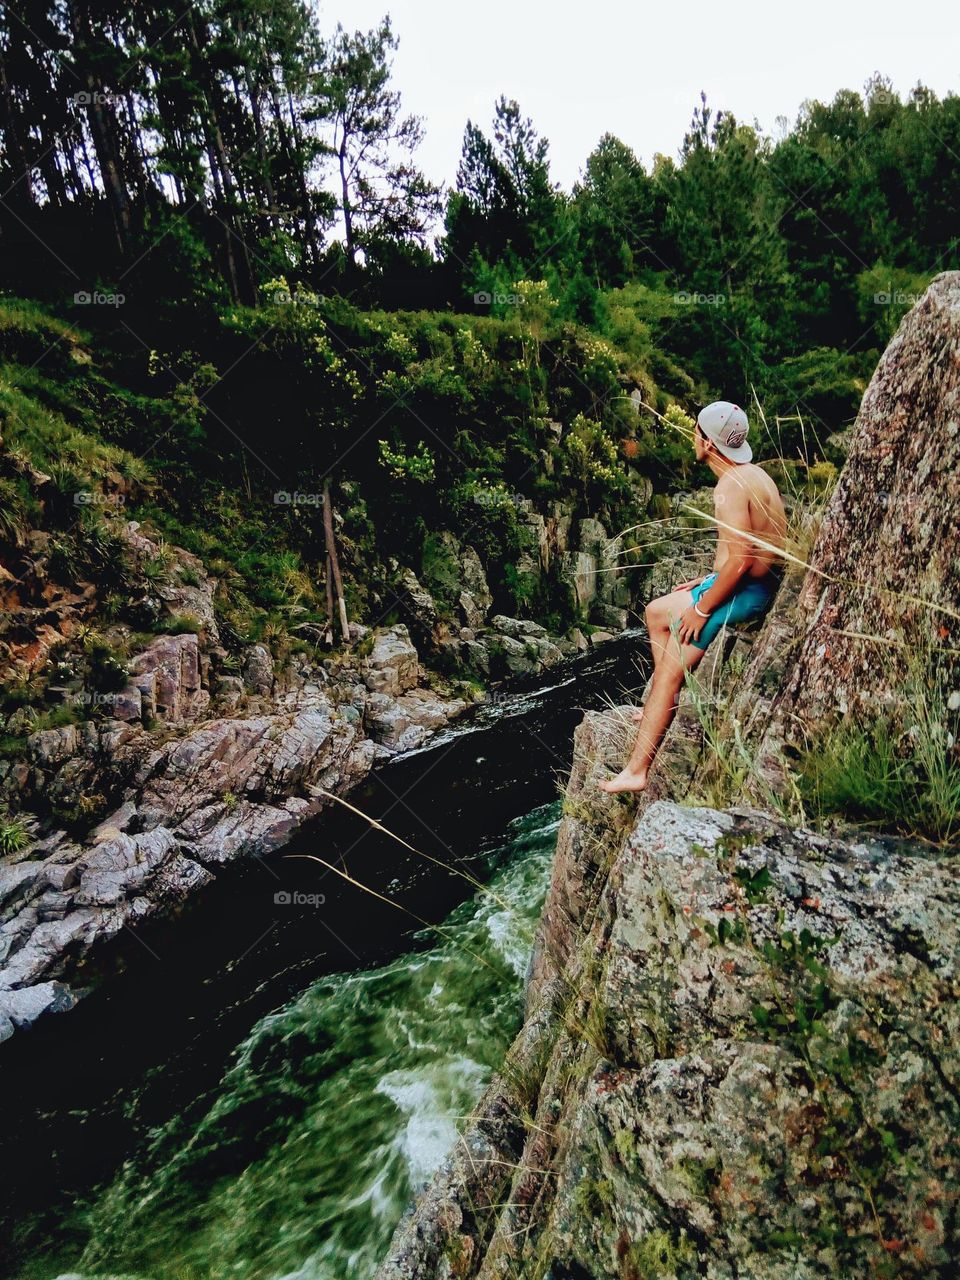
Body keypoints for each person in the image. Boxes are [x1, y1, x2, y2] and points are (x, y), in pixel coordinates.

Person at [599, 401, 786, 794]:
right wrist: (707, 579)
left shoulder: (729, 486)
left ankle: (637, 769)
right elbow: (757, 551)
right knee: (656, 612)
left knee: (669, 668)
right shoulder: (753, 474)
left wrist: (703, 606)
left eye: (696, 432)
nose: (693, 439)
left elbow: (740, 561)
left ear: (707, 441)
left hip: (743, 592)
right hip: (746, 583)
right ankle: (660, 700)